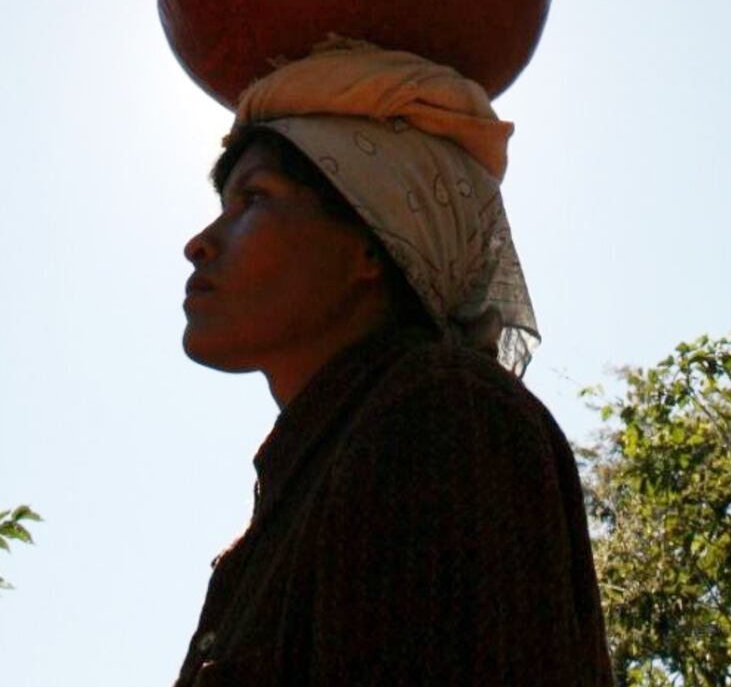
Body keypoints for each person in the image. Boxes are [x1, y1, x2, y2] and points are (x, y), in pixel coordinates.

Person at [173, 36, 612, 686]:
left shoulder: (441, 417)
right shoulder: (286, 503)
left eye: (254, 199)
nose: (199, 244)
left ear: (372, 245)